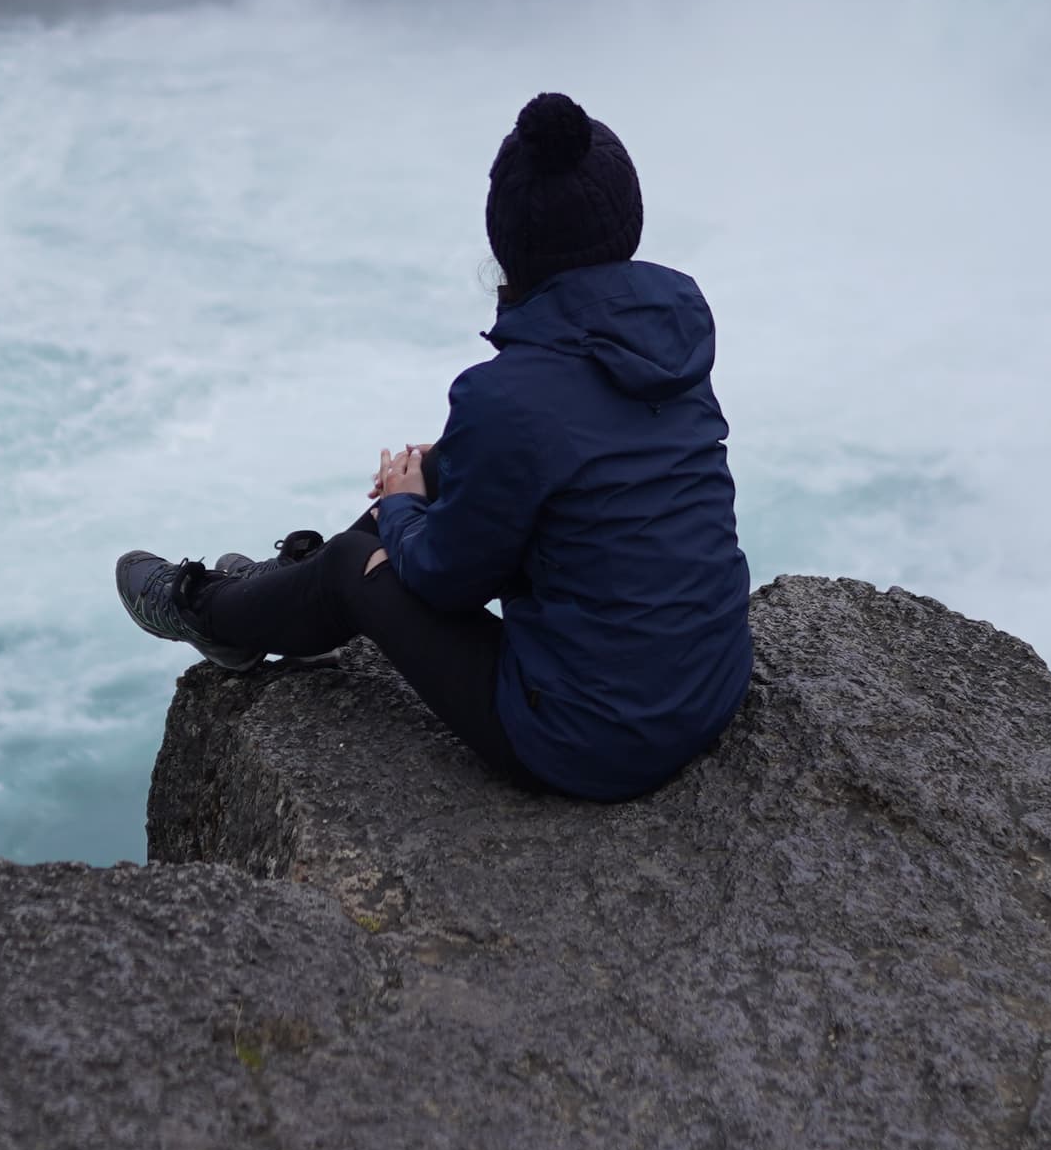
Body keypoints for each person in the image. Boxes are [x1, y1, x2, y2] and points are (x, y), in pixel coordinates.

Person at [115, 91, 751, 800]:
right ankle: (271, 589)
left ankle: (206, 609)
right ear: (627, 221)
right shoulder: (672, 338)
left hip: (593, 741)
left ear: (508, 242)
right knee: (448, 461)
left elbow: (448, 580)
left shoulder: (505, 396)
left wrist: (399, 510)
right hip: (706, 689)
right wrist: (437, 481)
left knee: (354, 562)